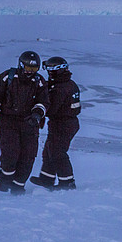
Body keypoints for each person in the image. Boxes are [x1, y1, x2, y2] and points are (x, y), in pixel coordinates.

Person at [0, 51, 49, 194]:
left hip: (29, 122)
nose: (30, 72)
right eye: (28, 68)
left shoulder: (39, 81)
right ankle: (5, 178)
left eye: (34, 69)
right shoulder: (7, 77)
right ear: (20, 65)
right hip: (8, 120)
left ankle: (18, 185)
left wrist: (37, 115)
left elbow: (43, 101)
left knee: (28, 155)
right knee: (10, 151)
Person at [30, 56, 81, 190]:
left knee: (57, 152)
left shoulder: (60, 88)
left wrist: (38, 109)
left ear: (57, 71)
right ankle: (47, 178)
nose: (49, 73)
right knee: (49, 150)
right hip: (65, 122)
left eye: (51, 70)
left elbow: (52, 109)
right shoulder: (69, 83)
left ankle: (67, 182)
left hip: (63, 123)